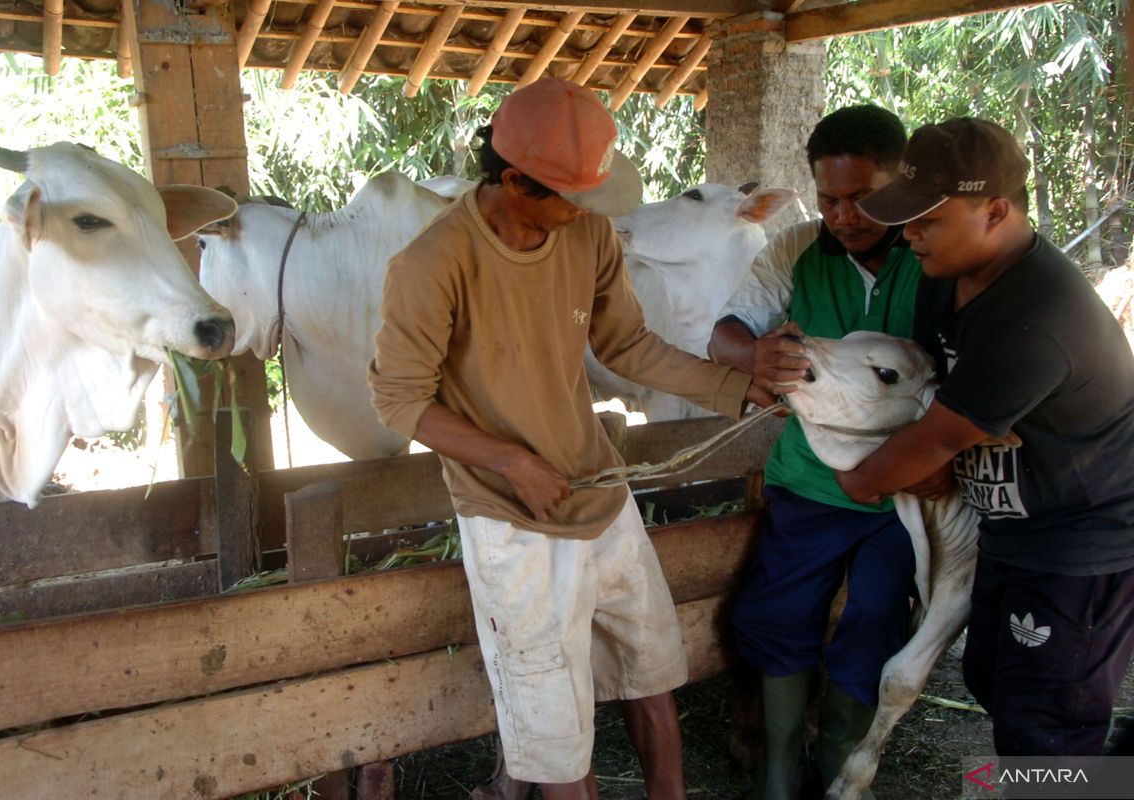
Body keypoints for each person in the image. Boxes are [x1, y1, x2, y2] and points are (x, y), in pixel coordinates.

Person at [367, 77, 767, 800]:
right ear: (514, 179)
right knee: (556, 724)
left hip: (599, 494)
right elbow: (399, 400)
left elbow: (629, 344)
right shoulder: (431, 264)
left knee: (652, 671)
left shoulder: (585, 237)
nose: (585, 212)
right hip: (513, 522)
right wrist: (513, 463)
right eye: (568, 196)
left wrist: (735, 389)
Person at [837, 117, 1134, 757]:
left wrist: (858, 478)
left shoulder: (1035, 315)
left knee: (1042, 732)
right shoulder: (946, 274)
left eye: (929, 220)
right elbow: (932, 393)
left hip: (1081, 548)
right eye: (906, 216)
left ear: (996, 211)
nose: (908, 233)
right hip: (1012, 530)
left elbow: (933, 440)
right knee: (993, 682)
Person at [707, 105, 939, 800]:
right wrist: (755, 355)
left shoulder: (934, 255)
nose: (844, 216)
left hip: (905, 488)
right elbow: (725, 334)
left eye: (863, 198)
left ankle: (842, 757)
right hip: (809, 479)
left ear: (903, 185)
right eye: (831, 199)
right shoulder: (795, 251)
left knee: (875, 618)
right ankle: (781, 766)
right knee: (777, 614)